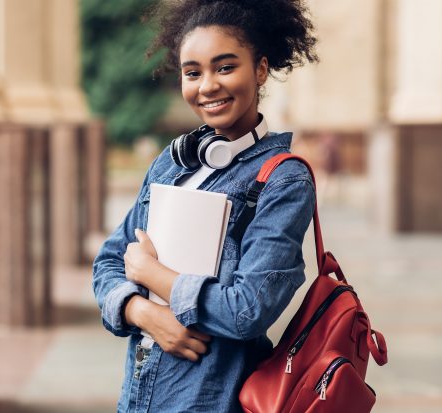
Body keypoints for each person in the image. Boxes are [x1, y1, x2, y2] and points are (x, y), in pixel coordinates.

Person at [92, 0, 319, 411]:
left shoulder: (283, 180)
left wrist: (152, 273)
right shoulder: (172, 162)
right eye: (193, 72)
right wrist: (143, 312)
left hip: (210, 399)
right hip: (140, 396)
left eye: (226, 67)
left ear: (261, 70)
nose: (208, 85)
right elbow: (108, 261)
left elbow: (248, 310)